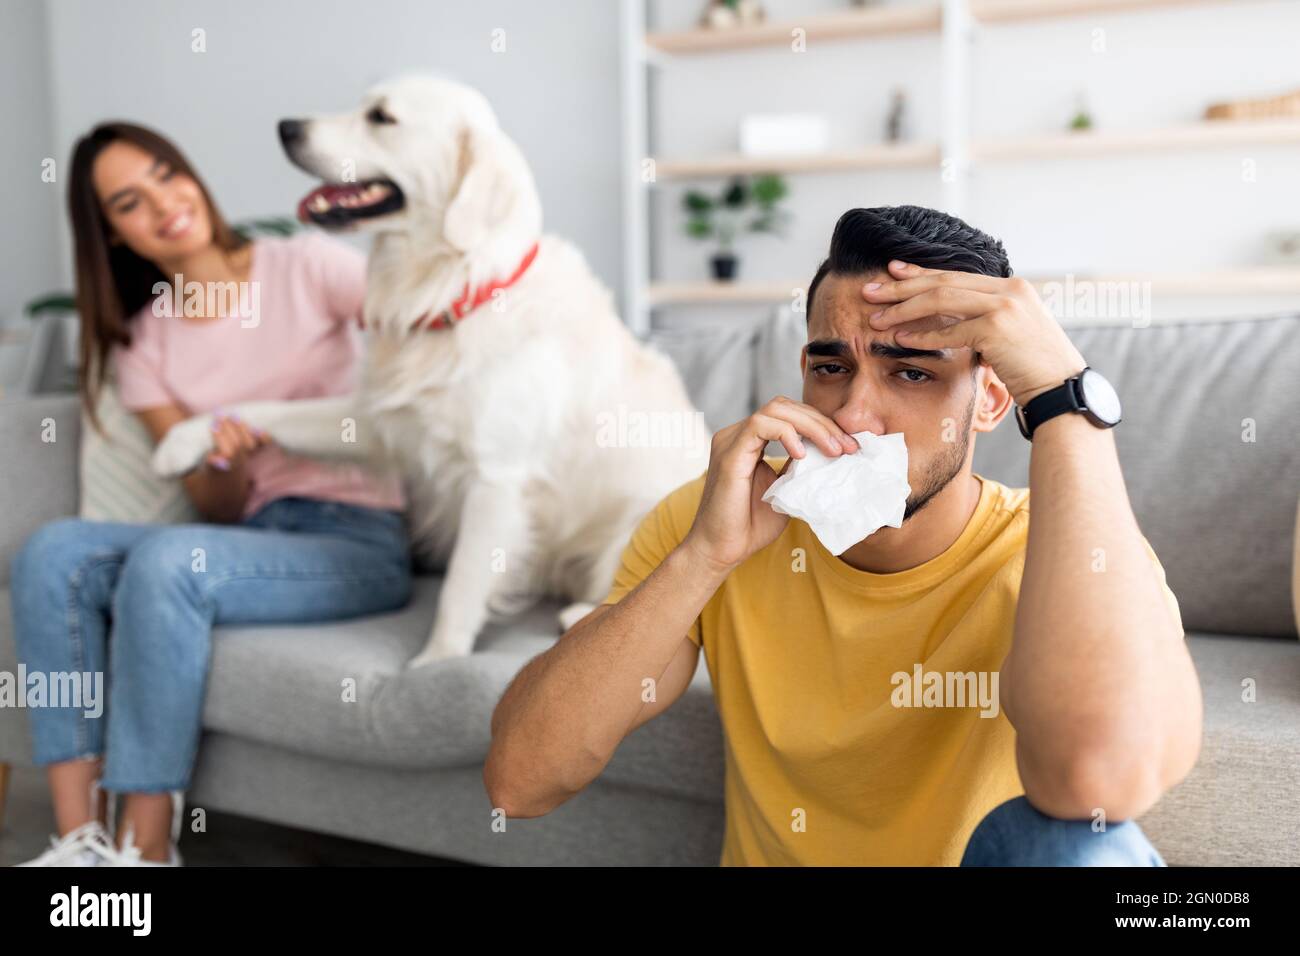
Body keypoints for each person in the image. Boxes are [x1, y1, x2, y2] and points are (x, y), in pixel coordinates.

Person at [484, 205, 1201, 866]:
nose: (856, 415)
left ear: (988, 400)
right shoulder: (712, 524)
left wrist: (1061, 398)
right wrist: (705, 557)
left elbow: (1096, 781)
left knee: (1077, 848)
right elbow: (520, 782)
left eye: (911, 372)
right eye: (833, 367)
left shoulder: (1066, 554)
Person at [12, 122, 410, 866]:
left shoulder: (309, 267)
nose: (163, 203)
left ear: (192, 173)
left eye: (167, 173)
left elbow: (427, 339)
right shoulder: (145, 345)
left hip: (357, 538)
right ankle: (77, 846)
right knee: (53, 551)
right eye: (130, 202)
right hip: (251, 536)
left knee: (170, 561)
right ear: (116, 236)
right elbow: (217, 507)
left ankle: (148, 851)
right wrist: (225, 462)